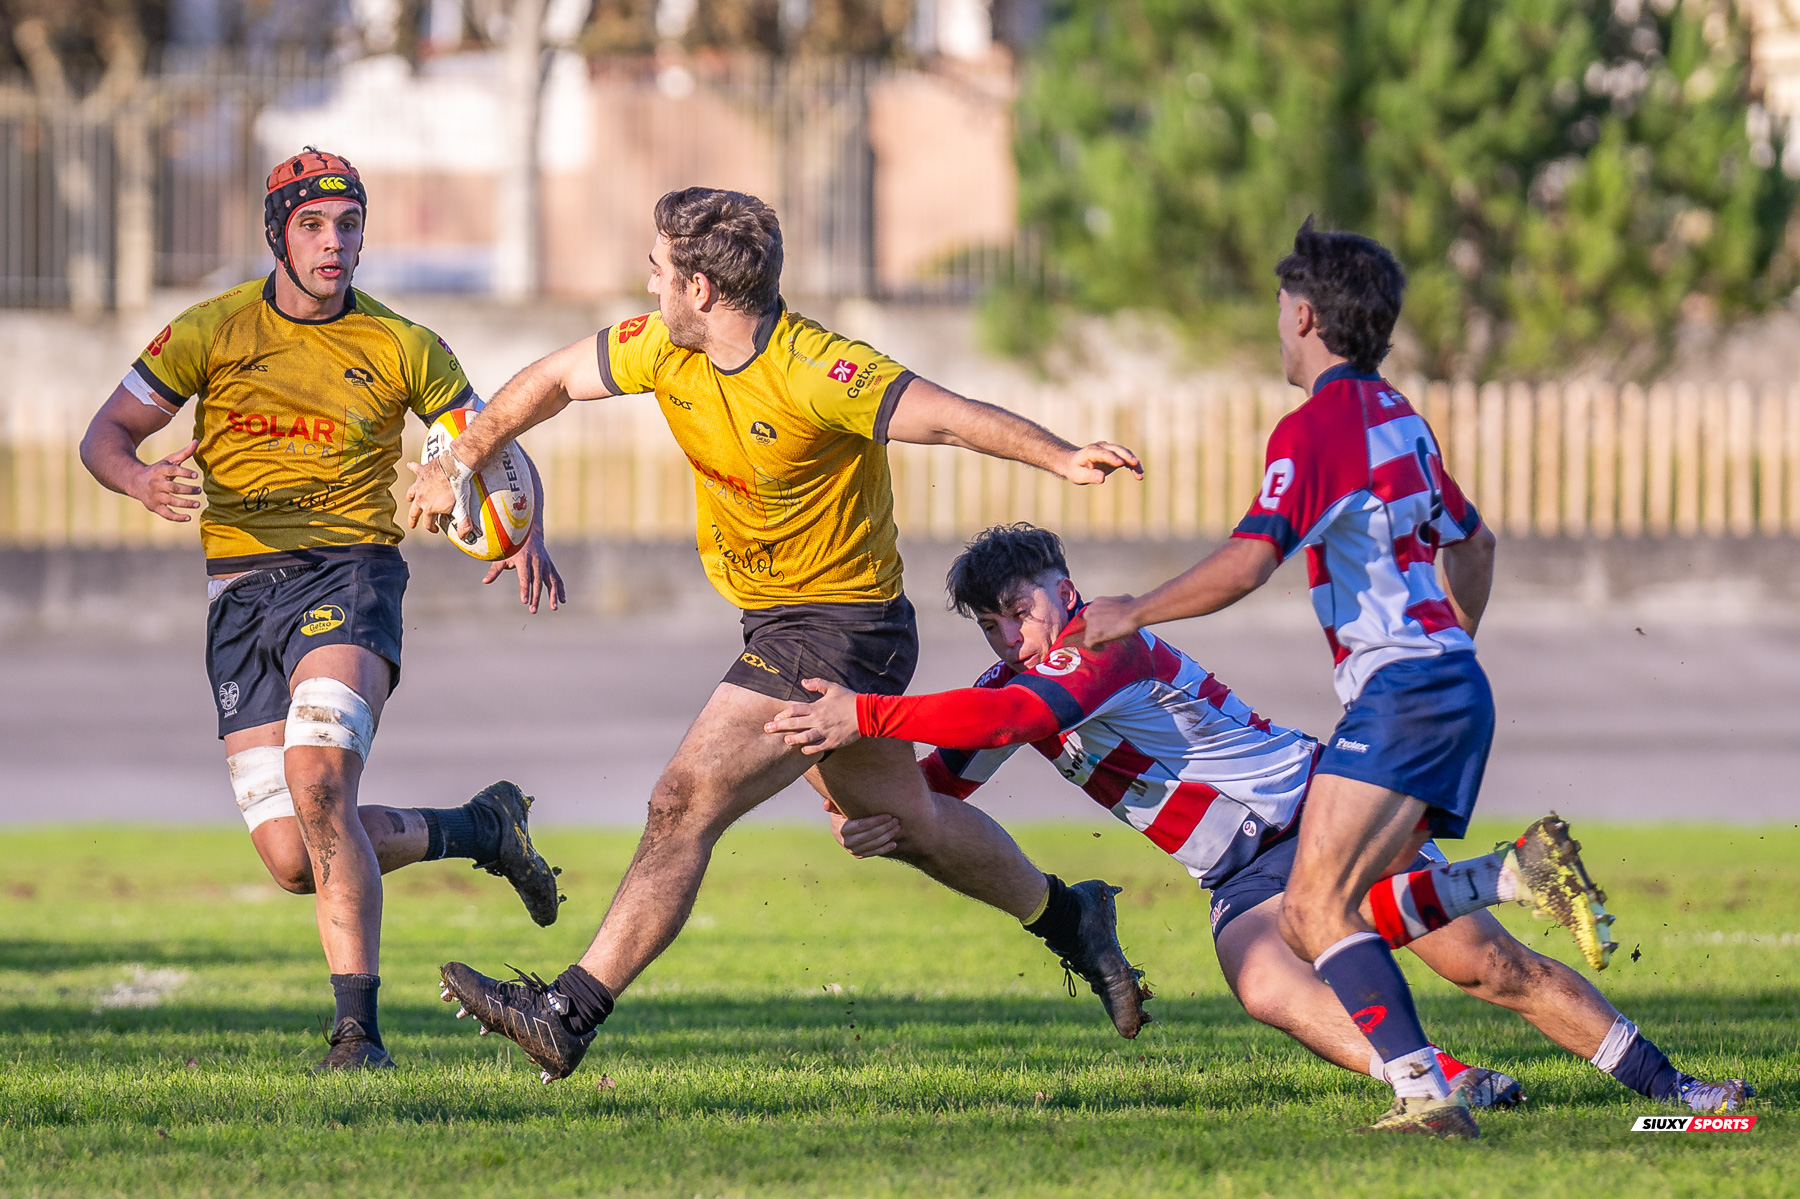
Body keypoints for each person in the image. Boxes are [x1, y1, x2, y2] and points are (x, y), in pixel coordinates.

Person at [418, 186, 1153, 1083]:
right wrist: (462, 455)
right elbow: (554, 378)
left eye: (657, 268)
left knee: (682, 802)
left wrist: (1062, 455)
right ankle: (1076, 921)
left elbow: (954, 416)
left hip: (844, 627)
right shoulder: (662, 347)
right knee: (906, 821)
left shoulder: (821, 370)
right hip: (780, 619)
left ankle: (568, 1010)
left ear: (700, 290)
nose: (646, 282)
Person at [770, 522, 1754, 1119]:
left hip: (1320, 813)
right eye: (991, 623)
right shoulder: (1008, 680)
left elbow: (1015, 718)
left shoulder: (1100, 642)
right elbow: (940, 781)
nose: (1010, 633)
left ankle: (1677, 1093)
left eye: (1017, 609)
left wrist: (862, 712)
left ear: (1062, 589)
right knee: (1264, 979)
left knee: (1488, 968)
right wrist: (873, 816)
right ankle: (1450, 1078)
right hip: (1240, 873)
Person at [1062, 218, 1617, 1135]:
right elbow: (1475, 542)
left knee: (1320, 907)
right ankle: (1536, 905)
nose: (1277, 324)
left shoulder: (1315, 426)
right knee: (1368, 905)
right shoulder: (1402, 415)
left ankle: (1425, 1089)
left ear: (1308, 315)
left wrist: (1133, 610)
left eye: (1282, 308)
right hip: (1451, 686)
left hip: (1398, 695)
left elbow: (1247, 563)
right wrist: (1454, 639)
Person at [79, 147, 567, 1072]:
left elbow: (488, 439)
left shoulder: (401, 343)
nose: (335, 243)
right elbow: (104, 434)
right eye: (313, 225)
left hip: (349, 576)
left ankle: (358, 1035)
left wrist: (523, 527)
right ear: (278, 234)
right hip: (237, 597)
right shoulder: (211, 329)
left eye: (348, 225)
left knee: (319, 780)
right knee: (295, 856)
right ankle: (480, 828)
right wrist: (140, 477)